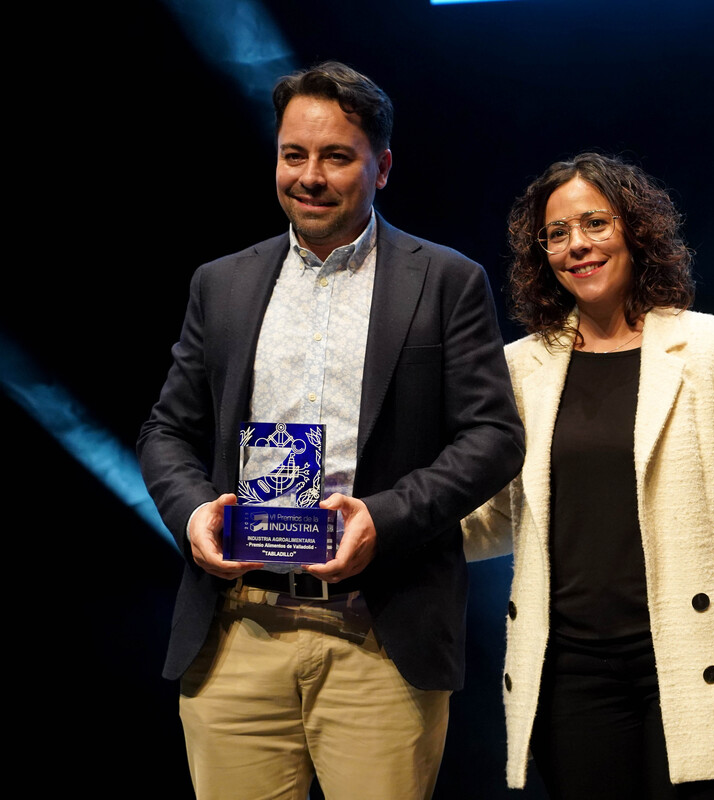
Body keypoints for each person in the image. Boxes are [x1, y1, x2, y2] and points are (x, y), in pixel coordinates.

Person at [137, 61, 524, 800]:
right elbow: (165, 430)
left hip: (380, 638)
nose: (310, 176)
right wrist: (192, 515)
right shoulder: (220, 283)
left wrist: (381, 517)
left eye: (336, 157)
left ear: (380, 167)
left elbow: (493, 438)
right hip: (235, 636)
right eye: (294, 154)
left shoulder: (445, 281)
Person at [463, 152, 714, 800]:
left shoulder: (713, 349)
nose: (577, 245)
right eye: (556, 233)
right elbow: (500, 519)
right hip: (570, 673)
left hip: (695, 660)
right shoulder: (520, 368)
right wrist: (383, 520)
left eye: (594, 223)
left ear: (635, 230)